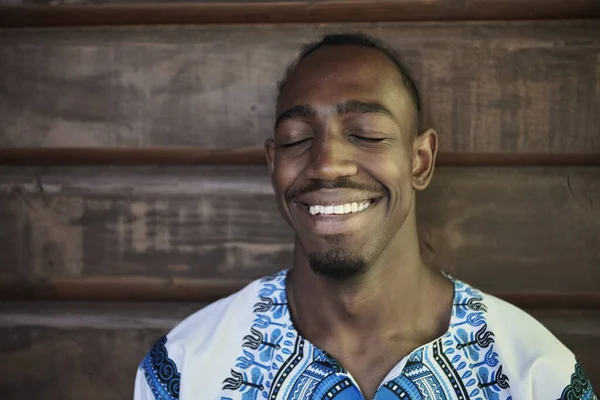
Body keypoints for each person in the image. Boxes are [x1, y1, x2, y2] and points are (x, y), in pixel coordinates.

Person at [133, 33, 596, 400]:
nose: (328, 164)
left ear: (420, 161)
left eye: (368, 134)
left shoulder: (536, 377)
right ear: (273, 164)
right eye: (297, 139)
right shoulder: (184, 374)